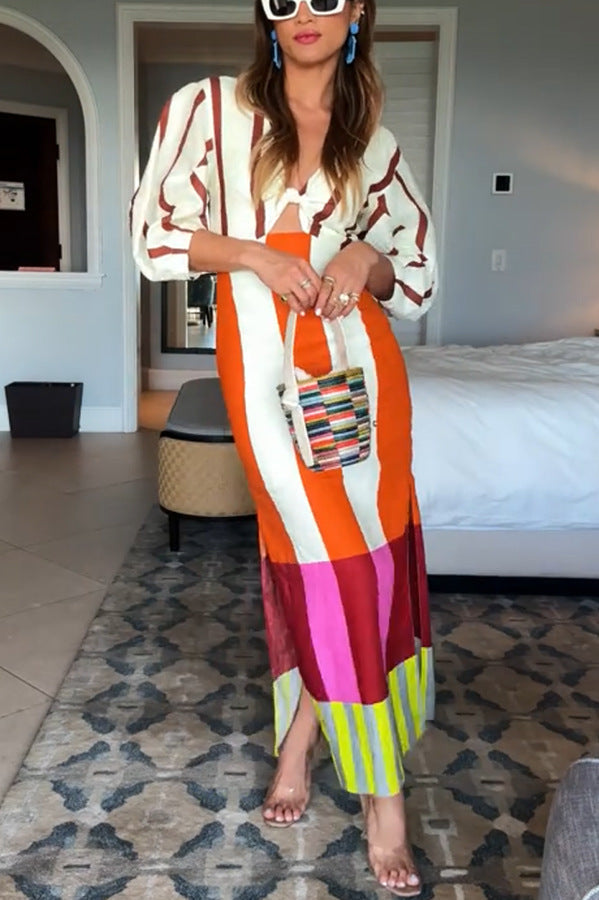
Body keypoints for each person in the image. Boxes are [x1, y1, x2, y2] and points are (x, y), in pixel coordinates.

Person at [131, 1, 438, 895]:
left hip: (362, 380)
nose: (303, 12)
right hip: (268, 384)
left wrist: (362, 262)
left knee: (365, 566)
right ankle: (381, 790)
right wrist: (257, 257)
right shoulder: (209, 109)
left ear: (358, 12)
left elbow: (416, 275)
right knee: (326, 564)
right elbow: (154, 237)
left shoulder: (370, 141)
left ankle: (306, 739)